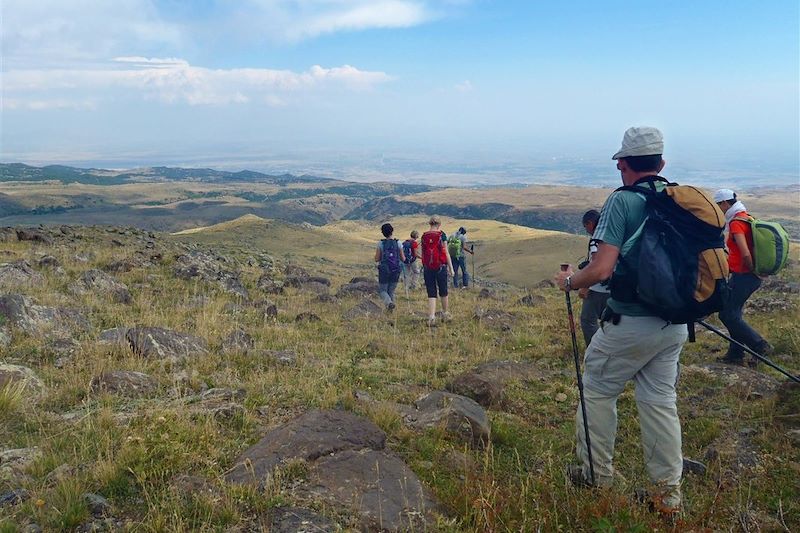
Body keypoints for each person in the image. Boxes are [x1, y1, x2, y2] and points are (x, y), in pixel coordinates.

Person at [553, 127, 687, 517]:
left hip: (631, 319)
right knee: (660, 402)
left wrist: (569, 283)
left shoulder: (623, 201)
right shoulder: (678, 198)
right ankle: (668, 497)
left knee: (596, 389)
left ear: (622, 164)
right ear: (662, 163)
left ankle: (598, 477)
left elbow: (602, 268)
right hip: (675, 322)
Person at [713, 189, 773, 366]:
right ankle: (735, 353)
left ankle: (759, 345)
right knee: (734, 313)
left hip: (744, 276)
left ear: (725, 203)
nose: (718, 209)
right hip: (747, 276)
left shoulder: (736, 223)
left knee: (726, 314)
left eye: (718, 205)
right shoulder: (746, 217)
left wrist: (753, 269)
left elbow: (745, 252)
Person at [578, 210, 611, 347]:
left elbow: (596, 264)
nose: (587, 231)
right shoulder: (613, 234)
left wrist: (585, 285)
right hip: (613, 288)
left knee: (588, 321)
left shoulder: (596, 239)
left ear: (590, 224)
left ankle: (595, 350)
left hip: (597, 289)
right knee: (610, 323)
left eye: (586, 227)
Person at [421, 216, 454, 326]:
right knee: (443, 291)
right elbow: (446, 253)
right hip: (441, 267)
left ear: (430, 224)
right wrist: (451, 268)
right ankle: (445, 313)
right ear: (439, 224)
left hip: (428, 268)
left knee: (431, 292)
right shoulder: (442, 235)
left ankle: (431, 317)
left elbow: (423, 253)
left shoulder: (424, 236)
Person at [374, 222, 405, 312]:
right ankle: (391, 311)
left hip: (384, 270)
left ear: (383, 233)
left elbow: (377, 259)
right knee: (391, 291)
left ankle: (389, 303)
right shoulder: (398, 243)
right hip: (396, 270)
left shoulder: (381, 243)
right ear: (392, 231)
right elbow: (403, 258)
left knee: (383, 291)